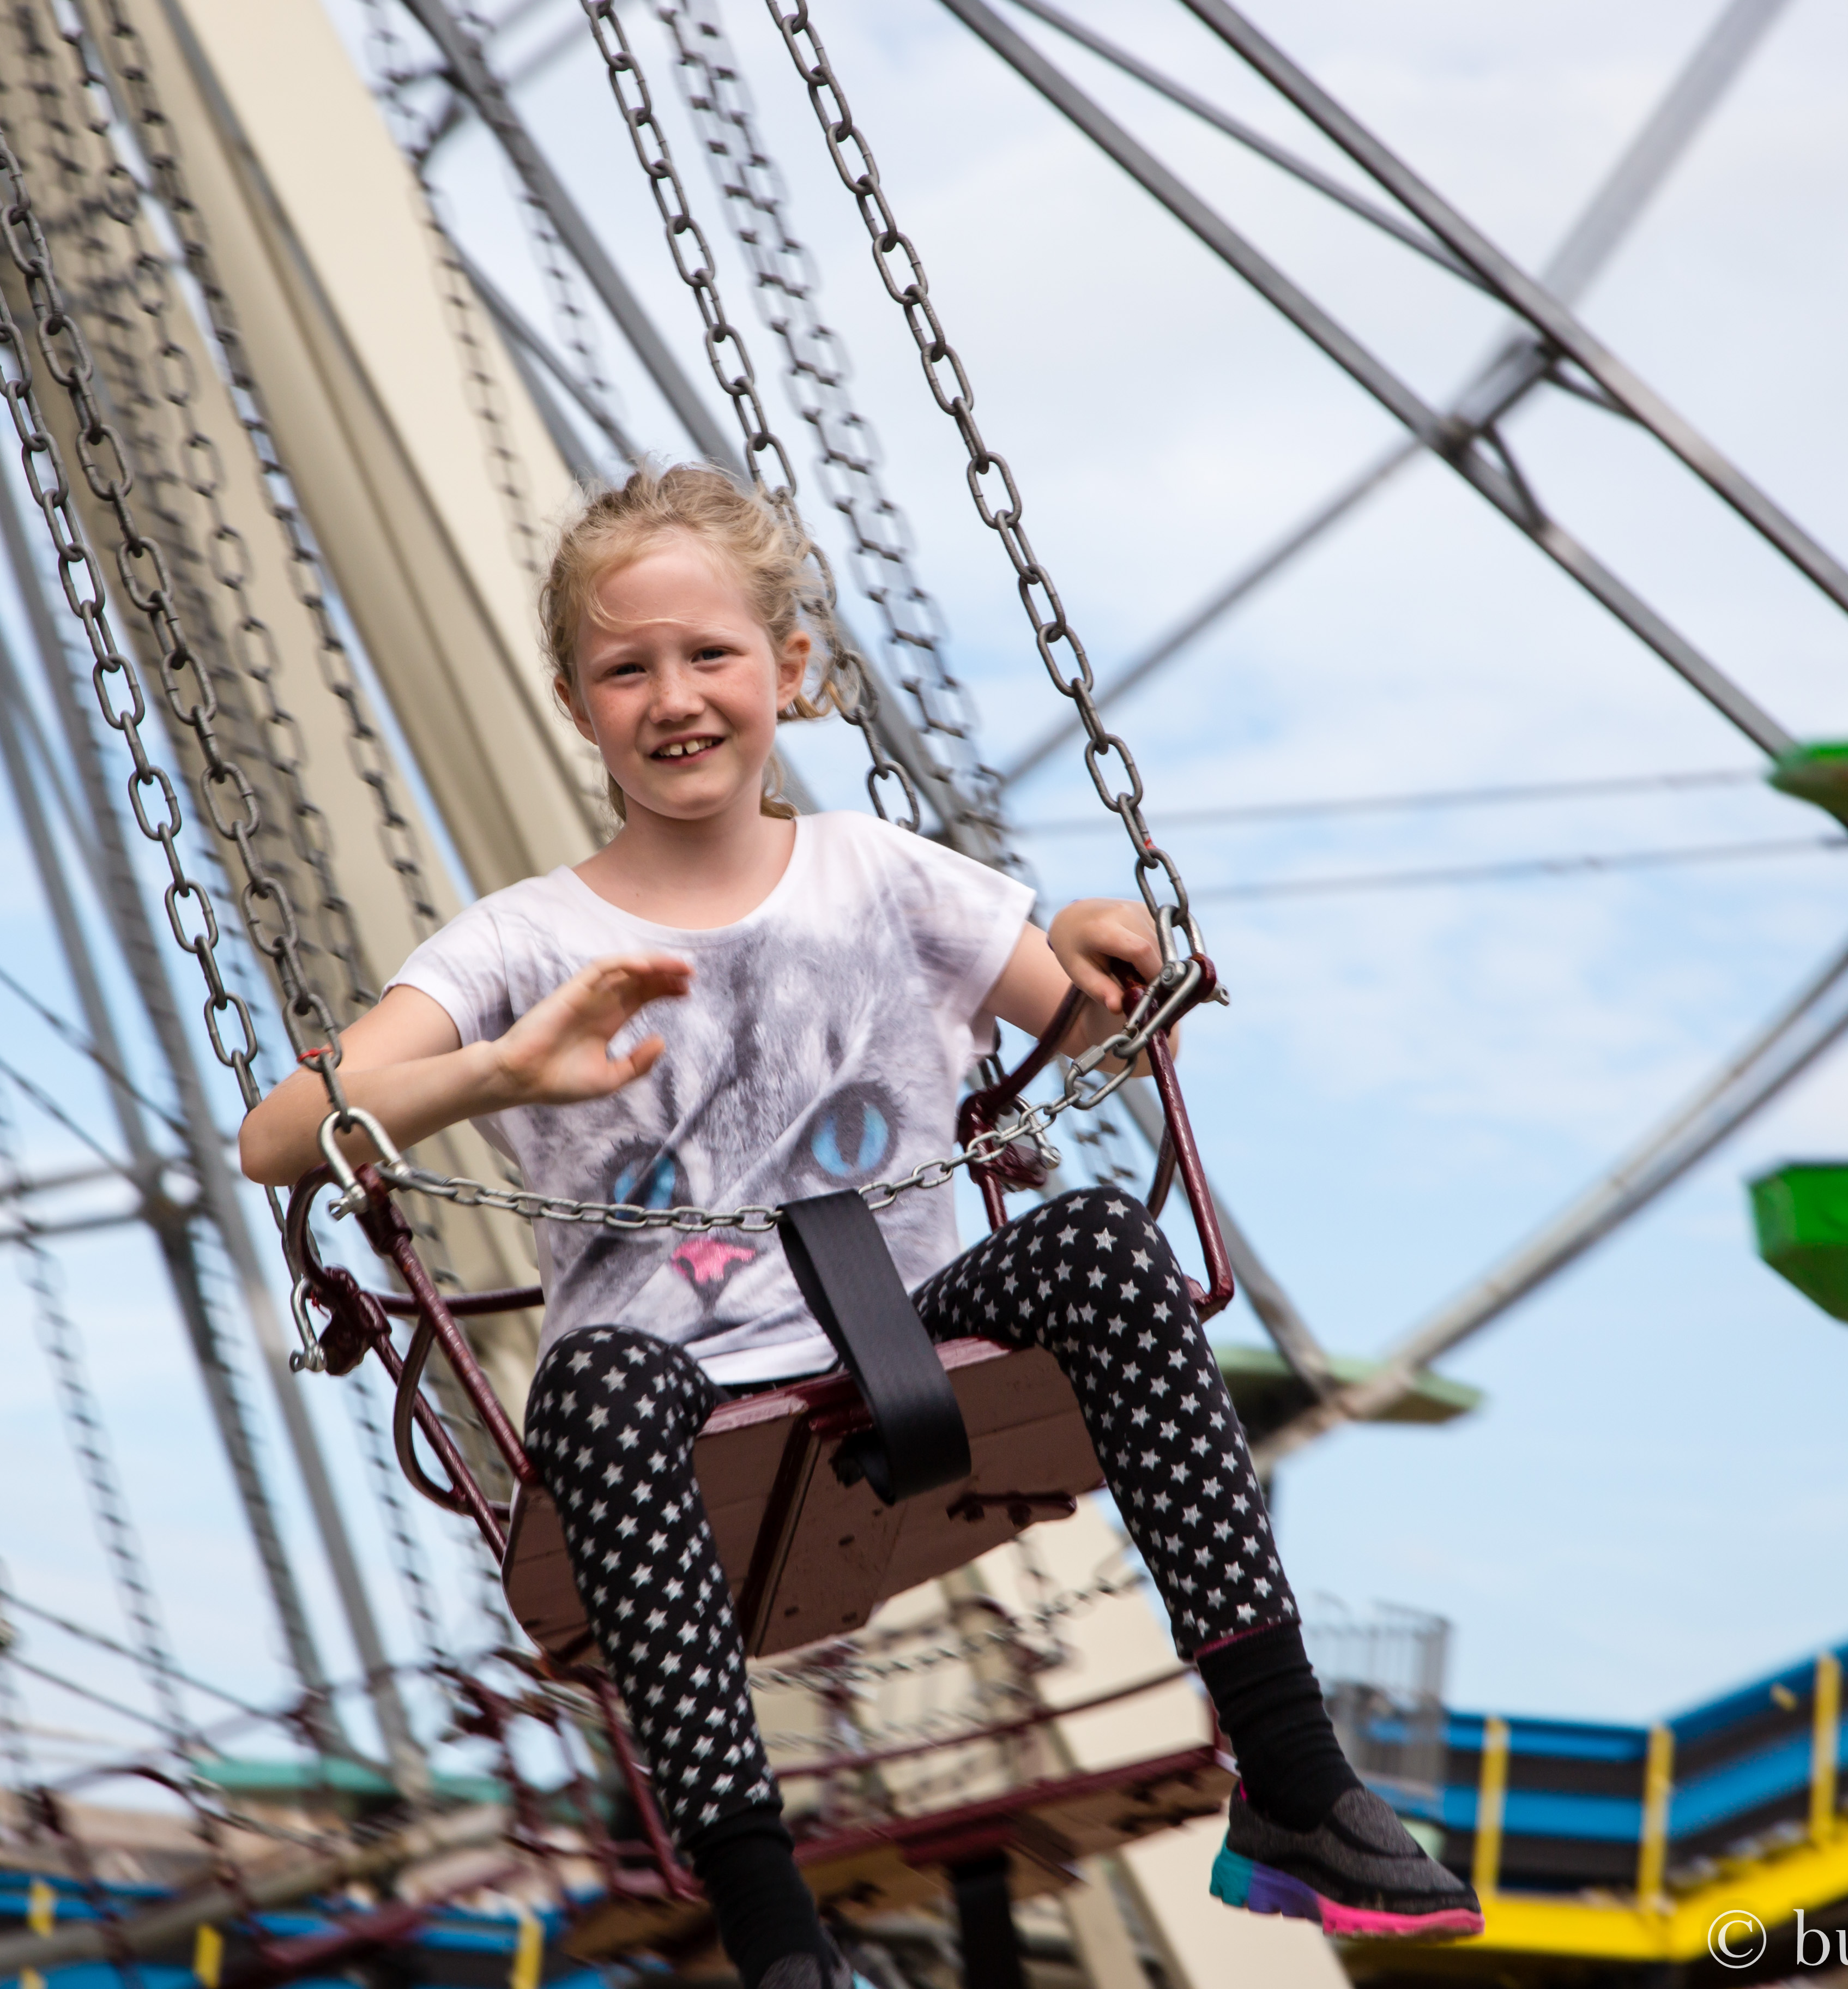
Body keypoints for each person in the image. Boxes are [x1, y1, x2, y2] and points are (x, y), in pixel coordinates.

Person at [239, 464, 1482, 1986]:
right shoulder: (521, 941)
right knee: (593, 1386)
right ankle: (777, 1939)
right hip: (673, 1404)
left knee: (1102, 1241)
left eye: (710, 655)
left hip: (916, 1343)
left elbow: (1088, 1018)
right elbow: (276, 1137)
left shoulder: (884, 874)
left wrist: (1096, 943)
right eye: (626, 670)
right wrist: (500, 1069)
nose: (673, 698)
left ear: (791, 670)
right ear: (574, 704)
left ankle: (1290, 1772)